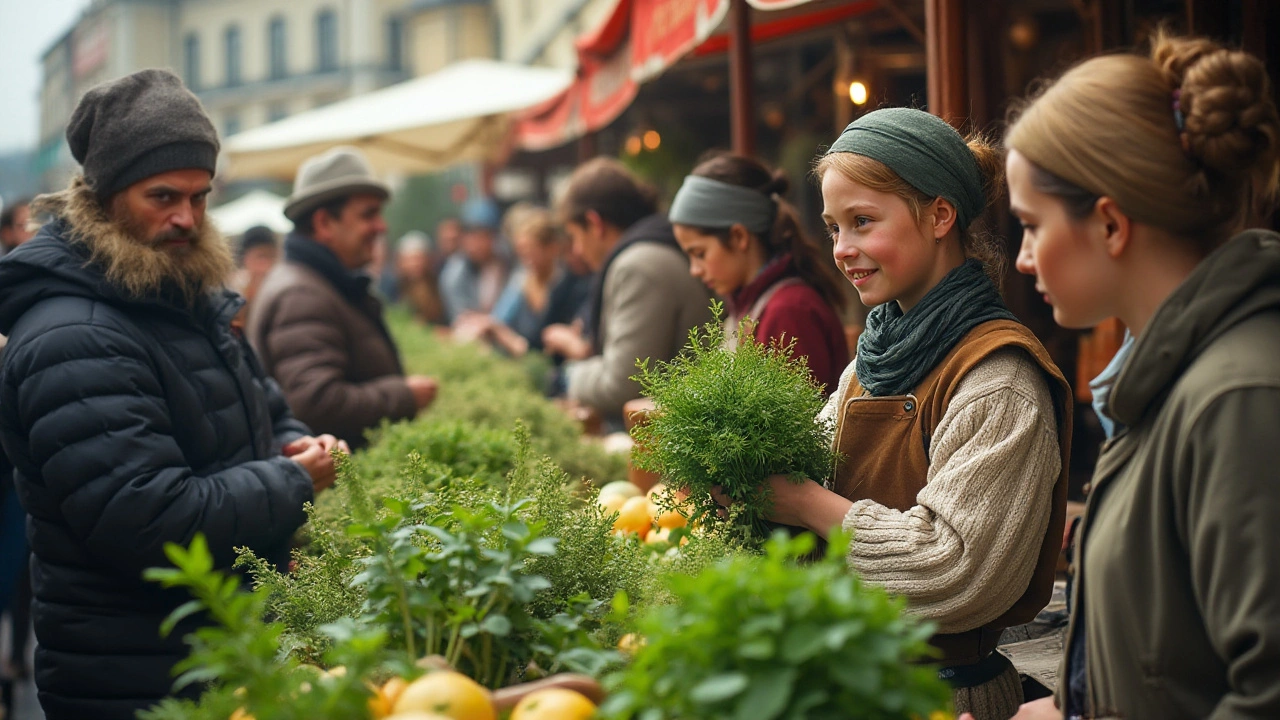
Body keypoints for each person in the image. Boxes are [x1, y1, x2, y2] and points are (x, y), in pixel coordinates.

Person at [0, 69, 338, 720]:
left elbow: (261, 402)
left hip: (215, 656)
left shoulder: (179, 295)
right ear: (102, 195)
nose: (185, 217)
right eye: (162, 196)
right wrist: (294, 480)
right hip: (140, 682)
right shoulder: (71, 337)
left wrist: (291, 438)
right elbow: (148, 519)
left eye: (200, 197)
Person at [731, 108, 1073, 719]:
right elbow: (812, 474)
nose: (842, 250)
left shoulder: (999, 380)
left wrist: (803, 503)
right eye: (834, 228)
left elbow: (957, 569)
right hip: (849, 685)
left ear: (940, 215)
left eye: (862, 222)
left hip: (941, 699)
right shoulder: (869, 361)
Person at [991, 31, 1280, 720]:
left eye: (1031, 225)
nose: (1024, 259)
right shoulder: (1174, 381)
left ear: (1111, 225)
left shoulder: (1235, 400)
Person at [247, 146, 439, 451]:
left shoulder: (316, 282)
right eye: (368, 214)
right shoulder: (302, 294)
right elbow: (315, 404)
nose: (381, 226)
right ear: (324, 223)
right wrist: (404, 396)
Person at [542, 158, 714, 429]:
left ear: (594, 223)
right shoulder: (652, 250)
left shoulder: (637, 265)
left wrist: (567, 376)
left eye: (575, 236)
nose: (576, 250)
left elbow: (623, 385)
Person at [668, 153, 849, 394]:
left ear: (739, 237)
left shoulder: (788, 311)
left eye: (699, 253)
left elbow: (788, 426)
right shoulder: (753, 303)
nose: (694, 270)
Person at [454, 207, 591, 357]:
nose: (527, 261)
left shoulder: (570, 286)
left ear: (552, 249)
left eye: (531, 253)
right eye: (522, 254)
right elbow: (500, 318)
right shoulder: (521, 282)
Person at [439, 197, 509, 323]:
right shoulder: (455, 272)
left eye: (483, 237)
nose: (477, 244)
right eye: (472, 236)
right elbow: (462, 317)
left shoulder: (506, 263)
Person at [394, 231, 446, 325]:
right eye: (409, 260)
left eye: (418, 259)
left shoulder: (440, 285)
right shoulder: (395, 288)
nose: (414, 264)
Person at [231, 224, 280, 309]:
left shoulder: (281, 286)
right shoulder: (232, 290)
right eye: (261, 256)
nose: (267, 264)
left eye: (272, 256)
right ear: (245, 258)